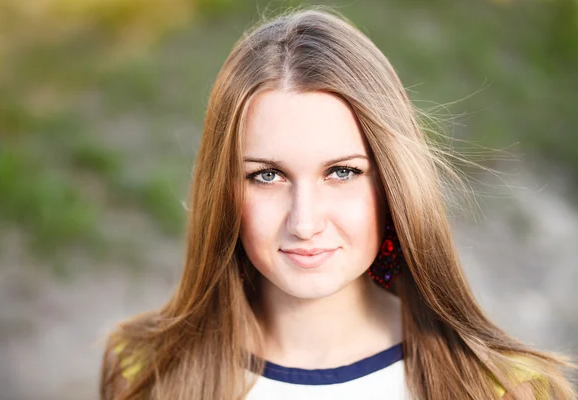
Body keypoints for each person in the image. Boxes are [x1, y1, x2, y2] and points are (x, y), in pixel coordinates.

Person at [99, 7, 577, 400]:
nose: (305, 222)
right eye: (267, 175)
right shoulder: (145, 370)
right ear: (222, 190)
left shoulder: (508, 388)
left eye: (342, 172)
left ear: (393, 183)